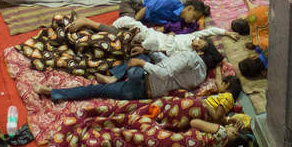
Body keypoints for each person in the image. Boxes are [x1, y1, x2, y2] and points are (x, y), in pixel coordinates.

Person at [40, 33, 225, 103]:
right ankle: (54, 93)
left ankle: (114, 77)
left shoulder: (189, 56)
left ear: (202, 52)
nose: (196, 40)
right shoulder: (201, 76)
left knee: (138, 57)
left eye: (200, 41)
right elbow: (167, 67)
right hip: (145, 94)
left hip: (141, 79)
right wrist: (150, 52)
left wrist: (142, 61)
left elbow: (163, 71)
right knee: (95, 90)